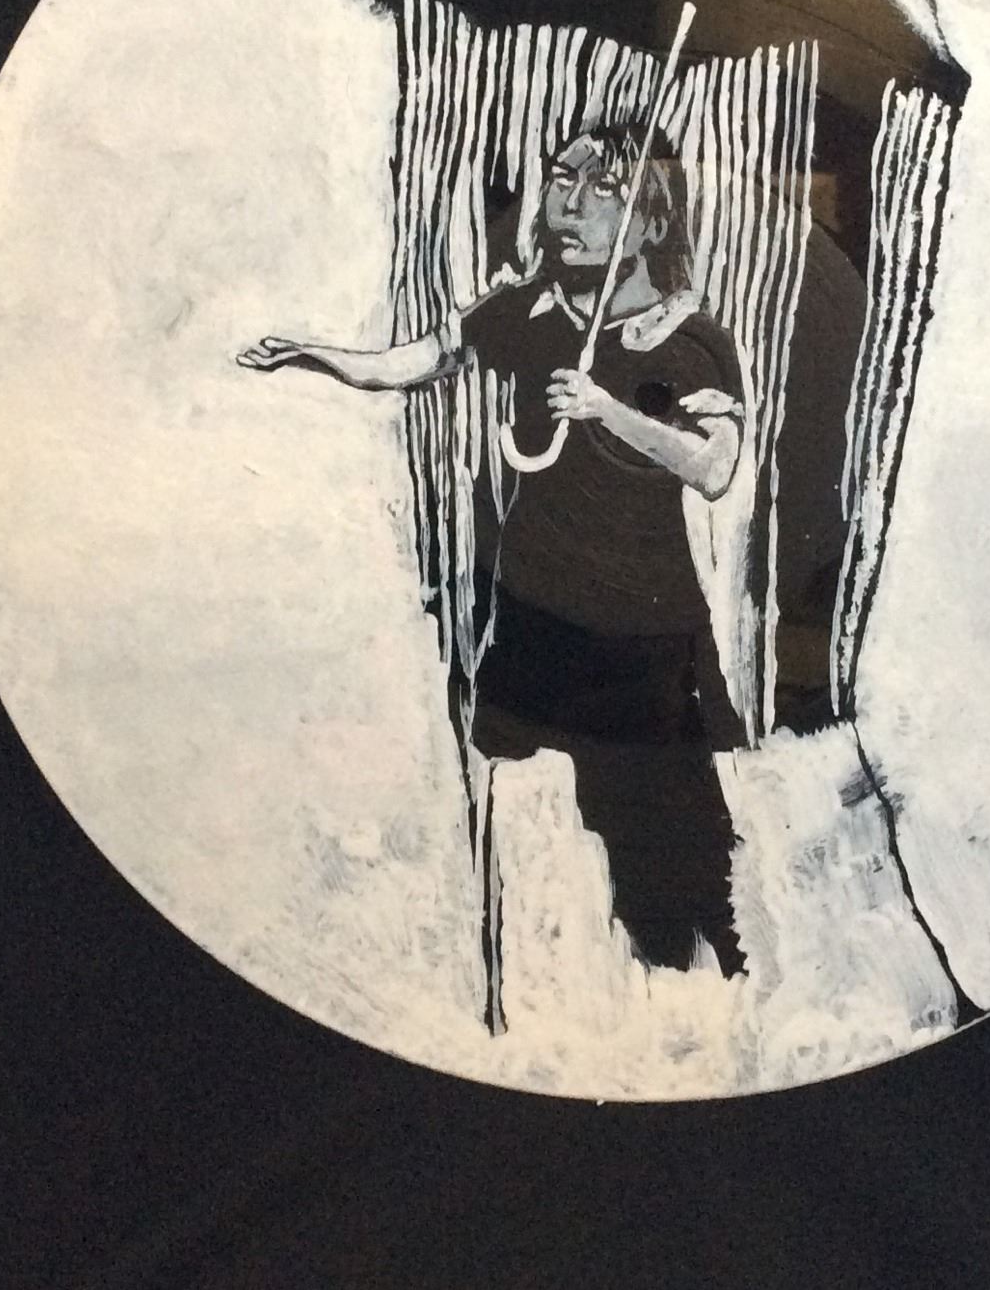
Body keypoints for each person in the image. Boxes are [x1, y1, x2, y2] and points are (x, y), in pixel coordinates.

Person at [240, 126, 750, 977]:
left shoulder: (687, 338)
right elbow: (412, 363)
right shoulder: (527, 312)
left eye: (604, 187)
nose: (569, 205)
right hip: (538, 607)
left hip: (645, 632)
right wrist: (316, 356)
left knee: (665, 834)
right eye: (560, 180)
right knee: (528, 815)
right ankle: (544, 994)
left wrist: (608, 411)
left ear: (655, 222)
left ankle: (698, 992)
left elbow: (716, 468)